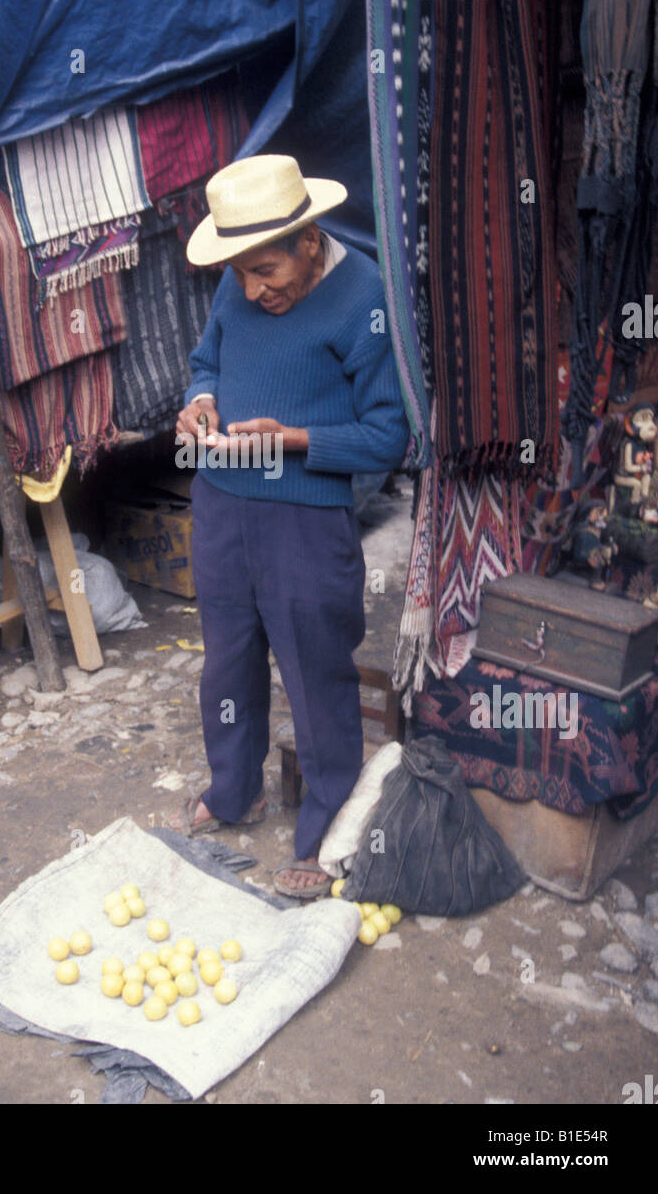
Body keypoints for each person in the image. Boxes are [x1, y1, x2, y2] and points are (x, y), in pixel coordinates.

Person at [168, 154, 409, 897]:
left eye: (265, 270)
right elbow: (207, 360)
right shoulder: (242, 278)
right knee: (227, 661)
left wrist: (292, 438)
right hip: (219, 503)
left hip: (305, 521)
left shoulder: (363, 293)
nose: (250, 288)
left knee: (315, 671)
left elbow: (387, 437)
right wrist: (199, 402)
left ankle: (325, 822)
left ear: (309, 240)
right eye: (239, 272)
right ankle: (236, 787)